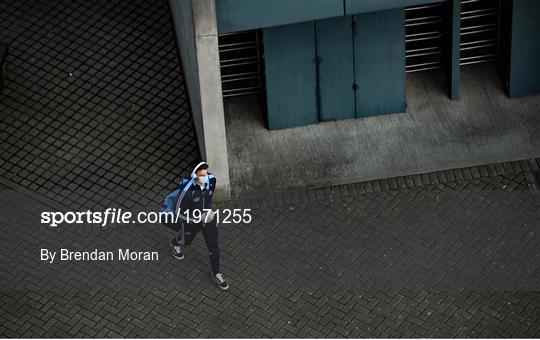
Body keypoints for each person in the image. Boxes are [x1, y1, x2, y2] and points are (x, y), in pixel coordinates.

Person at [170, 161, 229, 290]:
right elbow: (178, 211)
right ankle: (176, 242)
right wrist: (196, 217)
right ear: (194, 175)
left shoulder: (212, 180)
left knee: (214, 246)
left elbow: (208, 198)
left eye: (206, 173)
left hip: (209, 220)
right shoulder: (187, 191)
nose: (205, 177)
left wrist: (209, 212)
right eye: (202, 174)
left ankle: (216, 273)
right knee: (187, 240)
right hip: (192, 221)